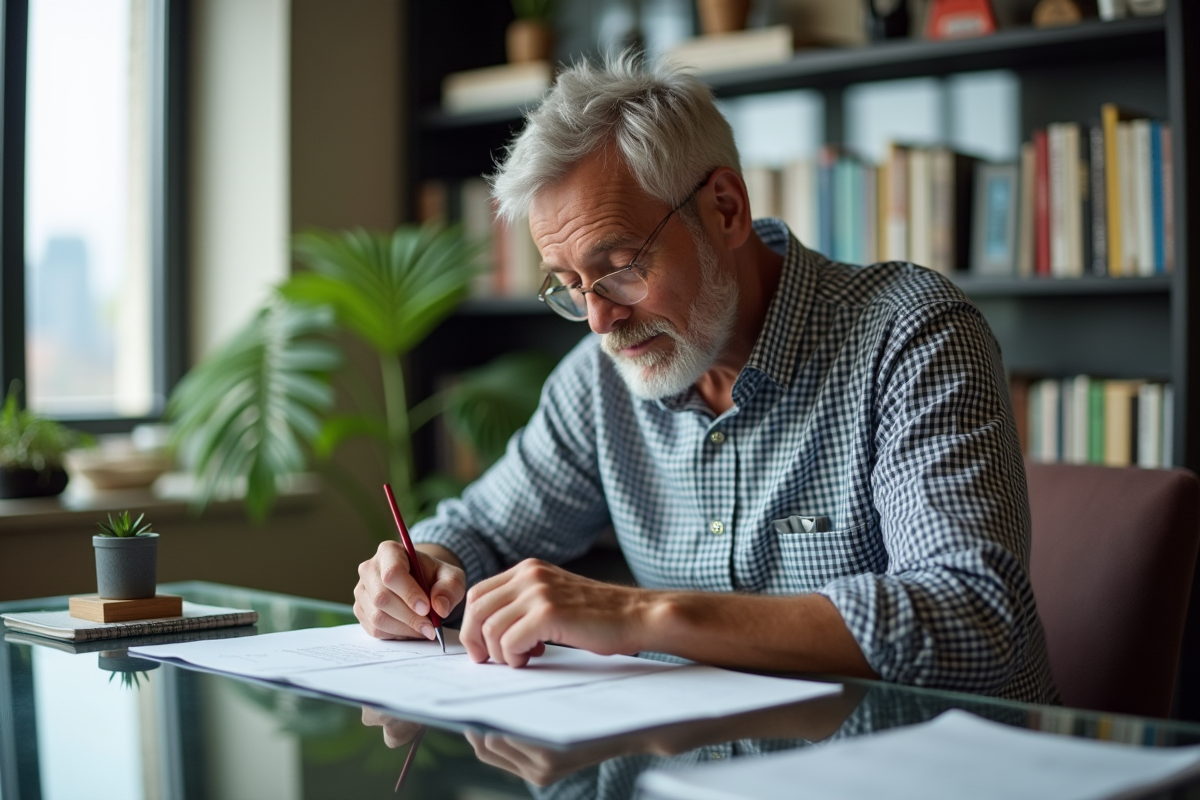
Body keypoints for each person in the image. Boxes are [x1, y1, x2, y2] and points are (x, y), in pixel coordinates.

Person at [354, 52, 1058, 703]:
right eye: (569, 284)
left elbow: (975, 618)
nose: (599, 320)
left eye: (621, 268)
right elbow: (481, 530)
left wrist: (643, 615)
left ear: (725, 209)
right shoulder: (599, 382)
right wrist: (422, 571)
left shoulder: (911, 335)